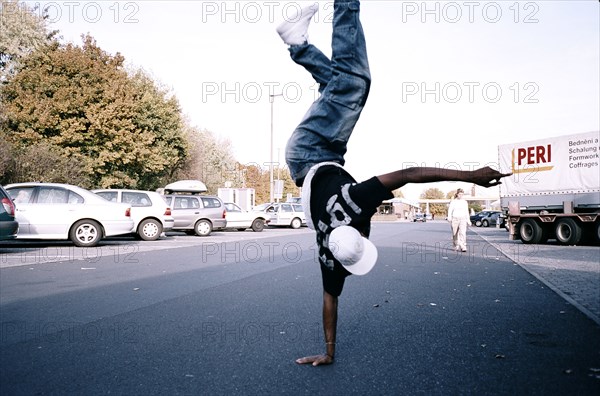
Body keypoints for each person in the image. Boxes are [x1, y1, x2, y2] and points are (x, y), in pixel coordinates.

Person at [277, 1, 511, 366]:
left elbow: (410, 174)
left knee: (354, 83)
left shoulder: (355, 203)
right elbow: (329, 301)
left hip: (312, 149)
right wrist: (329, 352)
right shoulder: (330, 253)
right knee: (337, 87)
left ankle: (335, 12)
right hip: (312, 161)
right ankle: (300, 46)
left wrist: (471, 176)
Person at [447, 188, 470, 252]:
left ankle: (463, 246)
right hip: (455, 218)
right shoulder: (453, 201)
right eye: (459, 194)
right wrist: (449, 217)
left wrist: (468, 220)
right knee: (455, 234)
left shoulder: (465, 202)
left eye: (462, 194)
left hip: (463, 219)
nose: (461, 195)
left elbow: (466, 211)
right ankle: (456, 245)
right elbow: (450, 210)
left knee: (463, 233)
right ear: (457, 194)